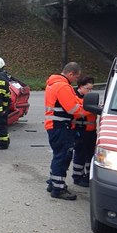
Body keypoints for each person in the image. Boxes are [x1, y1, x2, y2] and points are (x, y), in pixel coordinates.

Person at [44, 62, 91, 200]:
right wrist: (88, 110)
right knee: (63, 156)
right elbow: (72, 109)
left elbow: (74, 100)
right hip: (61, 126)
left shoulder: (54, 83)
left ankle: (53, 183)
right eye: (76, 77)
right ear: (71, 73)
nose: (76, 80)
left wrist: (84, 103)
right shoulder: (63, 86)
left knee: (58, 155)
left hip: (54, 126)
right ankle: (58, 189)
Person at [71, 76, 97, 187]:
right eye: (88, 88)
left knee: (90, 154)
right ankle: (77, 177)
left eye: (91, 89)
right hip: (80, 130)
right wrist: (92, 108)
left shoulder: (88, 98)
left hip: (91, 131)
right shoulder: (75, 98)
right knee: (80, 154)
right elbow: (78, 111)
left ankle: (87, 175)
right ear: (81, 87)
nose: (89, 91)